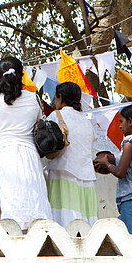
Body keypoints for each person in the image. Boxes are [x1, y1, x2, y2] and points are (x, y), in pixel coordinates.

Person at [0, 56, 50, 230]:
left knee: (10, 199)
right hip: (30, 154)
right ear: (22, 75)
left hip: (4, 153)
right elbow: (39, 129)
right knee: (34, 196)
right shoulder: (34, 98)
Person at [43, 82, 98, 227]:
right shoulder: (87, 122)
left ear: (60, 98)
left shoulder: (56, 116)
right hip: (87, 179)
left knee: (63, 223)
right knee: (86, 225)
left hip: (63, 175)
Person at [95, 104, 132, 233]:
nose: (119, 126)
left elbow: (120, 172)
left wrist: (107, 164)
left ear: (130, 121)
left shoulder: (130, 142)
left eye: (121, 121)